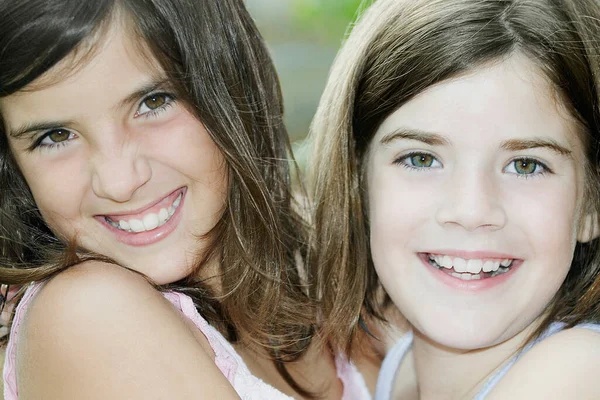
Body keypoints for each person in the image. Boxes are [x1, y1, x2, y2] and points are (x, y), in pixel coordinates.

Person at [0, 0, 375, 398]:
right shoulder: (91, 313)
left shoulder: (316, 262)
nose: (119, 182)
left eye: (153, 102)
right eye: (56, 136)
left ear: (231, 88)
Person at [308, 0, 600, 398]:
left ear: (591, 204)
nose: (471, 210)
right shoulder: (396, 369)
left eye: (526, 166)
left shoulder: (579, 369)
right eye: (421, 158)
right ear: (358, 182)